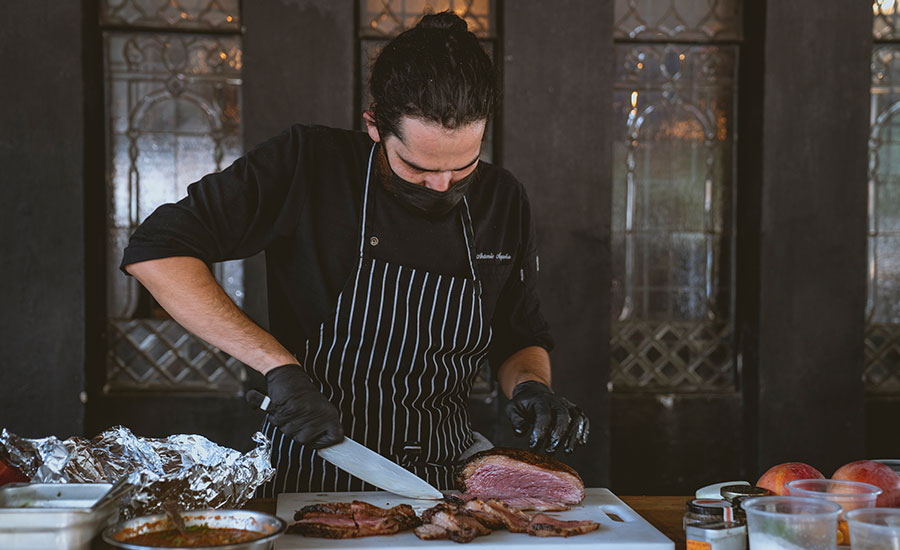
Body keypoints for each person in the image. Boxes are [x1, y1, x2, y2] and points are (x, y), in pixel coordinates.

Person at [121, 11, 589, 495]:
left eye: (463, 167)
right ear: (374, 125)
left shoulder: (504, 198)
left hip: (446, 482)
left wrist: (532, 386)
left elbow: (517, 335)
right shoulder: (308, 164)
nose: (442, 185)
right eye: (418, 167)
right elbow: (157, 253)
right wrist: (277, 367)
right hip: (311, 475)